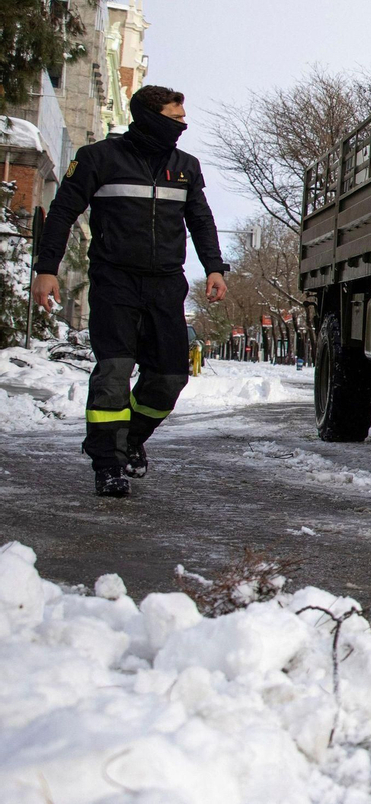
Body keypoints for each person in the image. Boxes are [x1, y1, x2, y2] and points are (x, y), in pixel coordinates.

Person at [32, 85, 229, 497]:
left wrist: (214, 267)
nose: (182, 125)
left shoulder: (186, 167)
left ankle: (130, 438)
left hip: (164, 285)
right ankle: (107, 462)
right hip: (115, 281)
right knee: (114, 373)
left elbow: (201, 220)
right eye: (175, 118)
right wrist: (46, 269)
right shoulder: (98, 158)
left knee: (170, 378)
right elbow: (62, 214)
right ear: (149, 116)